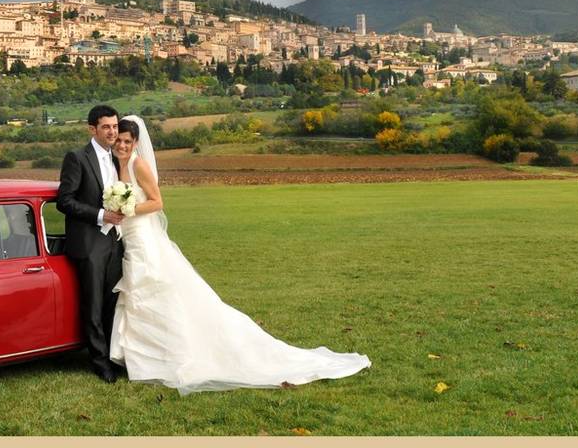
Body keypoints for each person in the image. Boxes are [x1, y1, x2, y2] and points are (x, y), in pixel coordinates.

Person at [108, 115, 371, 394]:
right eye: (119, 140)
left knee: (150, 289)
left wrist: (128, 210)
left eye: (127, 141)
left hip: (145, 239)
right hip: (131, 238)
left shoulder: (139, 165)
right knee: (139, 293)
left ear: (136, 142)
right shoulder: (118, 164)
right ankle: (141, 355)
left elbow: (157, 202)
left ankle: (171, 356)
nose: (122, 145)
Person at [57, 104, 126, 383]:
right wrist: (101, 215)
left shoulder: (116, 158)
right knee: (94, 305)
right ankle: (99, 362)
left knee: (113, 303)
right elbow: (65, 201)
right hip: (88, 243)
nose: (112, 132)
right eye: (106, 127)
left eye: (115, 126)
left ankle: (113, 355)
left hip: (114, 241)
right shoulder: (77, 158)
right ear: (92, 129)